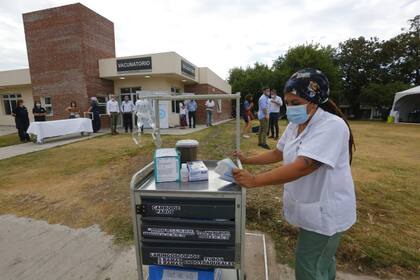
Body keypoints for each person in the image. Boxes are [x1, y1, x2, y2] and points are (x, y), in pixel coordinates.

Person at [233, 68, 356, 280]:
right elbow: (278, 152)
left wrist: (254, 181)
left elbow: (304, 166)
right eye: (287, 102)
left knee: (308, 266)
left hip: (326, 211)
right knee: (322, 262)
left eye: (296, 103)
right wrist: (247, 160)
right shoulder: (296, 124)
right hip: (312, 207)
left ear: (314, 101)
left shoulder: (332, 126)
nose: (289, 108)